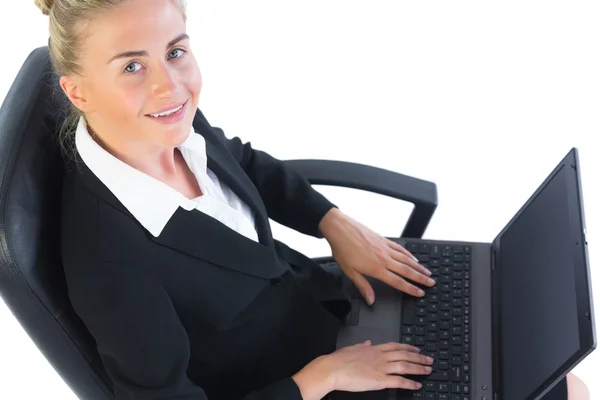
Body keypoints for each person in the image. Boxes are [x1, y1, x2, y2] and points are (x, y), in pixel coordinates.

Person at [36, 0, 589, 399]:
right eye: (132, 66)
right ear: (78, 91)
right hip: (293, 380)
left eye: (175, 52)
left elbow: (244, 162)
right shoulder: (109, 263)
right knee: (563, 388)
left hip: (321, 303)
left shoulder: (168, 123)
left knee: (515, 335)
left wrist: (331, 221)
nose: (169, 86)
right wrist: (319, 380)